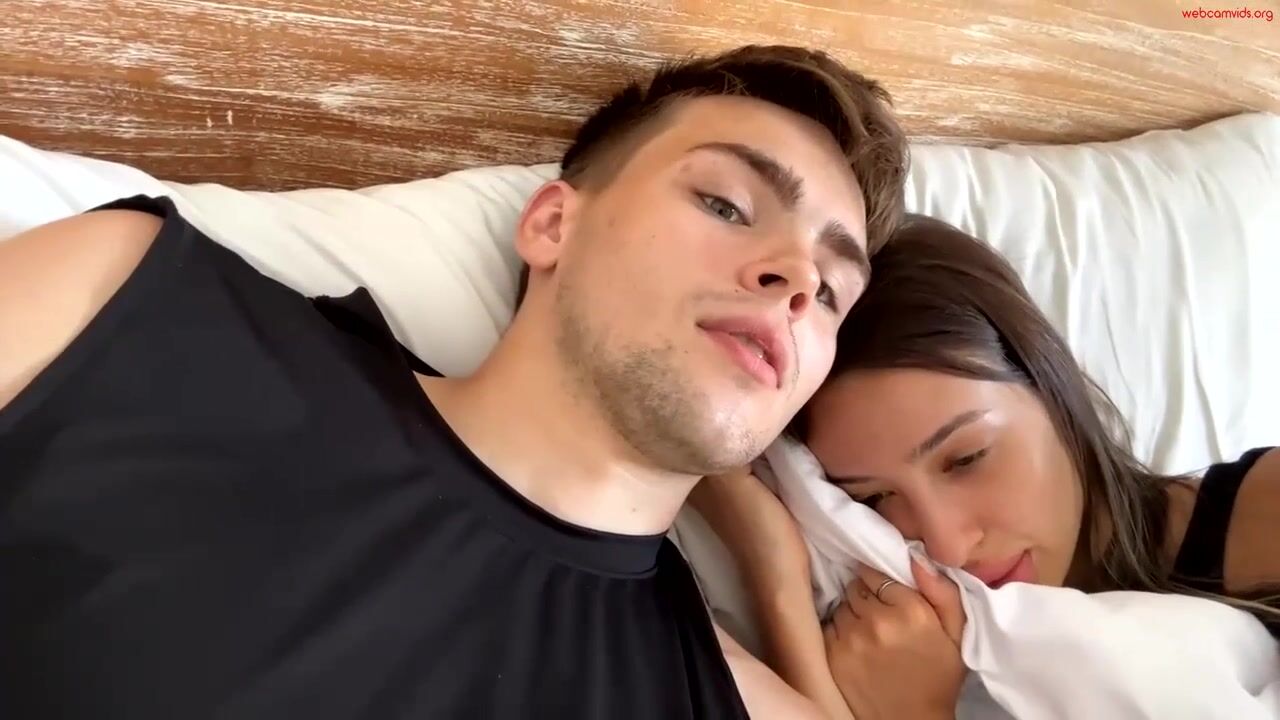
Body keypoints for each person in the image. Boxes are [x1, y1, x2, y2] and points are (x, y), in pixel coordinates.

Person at [0, 46, 909, 719]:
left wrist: (778, 571)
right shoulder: (124, 306)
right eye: (725, 204)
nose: (797, 282)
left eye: (832, 292)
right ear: (552, 225)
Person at [692, 214, 1280, 720]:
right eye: (874, 500)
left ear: (1050, 383)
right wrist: (775, 568)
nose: (947, 546)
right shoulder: (910, 636)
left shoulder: (1262, 518)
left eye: (967, 459)